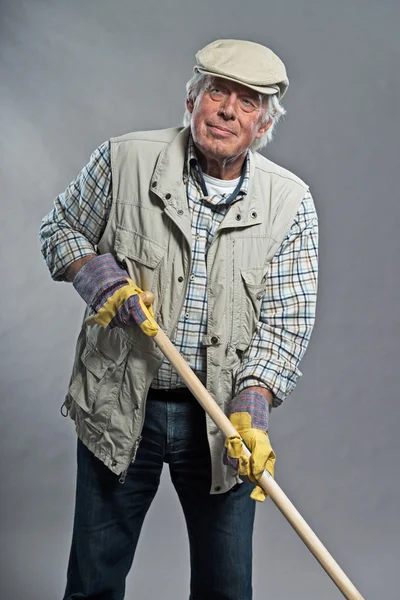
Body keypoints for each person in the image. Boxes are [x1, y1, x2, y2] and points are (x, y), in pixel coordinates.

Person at [39, 39, 318, 600]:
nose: (227, 110)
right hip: (119, 409)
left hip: (218, 427)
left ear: (263, 124)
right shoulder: (124, 158)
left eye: (247, 102)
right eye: (217, 92)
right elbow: (60, 230)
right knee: (92, 584)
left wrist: (249, 413)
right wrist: (105, 284)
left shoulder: (291, 202)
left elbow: (285, 324)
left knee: (226, 589)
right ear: (193, 99)